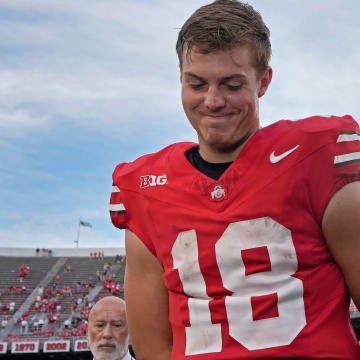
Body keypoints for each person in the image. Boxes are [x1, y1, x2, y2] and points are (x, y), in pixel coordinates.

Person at [109, 0, 360, 359]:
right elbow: (153, 347)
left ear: (263, 82)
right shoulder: (146, 187)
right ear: (180, 78)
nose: (213, 101)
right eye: (197, 84)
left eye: (231, 84)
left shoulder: (316, 158)